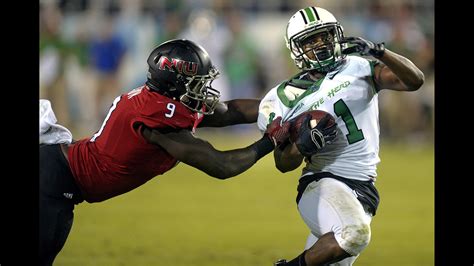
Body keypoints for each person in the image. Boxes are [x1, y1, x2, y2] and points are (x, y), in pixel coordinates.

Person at [39, 39, 291, 266]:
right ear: (175, 82)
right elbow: (222, 165)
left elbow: (231, 112)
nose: (203, 90)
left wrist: (281, 107)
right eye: (197, 82)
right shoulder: (156, 118)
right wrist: (270, 141)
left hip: (58, 174)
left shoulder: (163, 101)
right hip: (54, 181)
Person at [255, 6, 425, 266]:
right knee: (354, 234)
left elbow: (414, 81)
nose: (320, 43)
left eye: (324, 35)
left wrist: (381, 52)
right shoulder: (282, 97)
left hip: (364, 187)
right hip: (322, 183)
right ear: (296, 49)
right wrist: (303, 145)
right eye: (310, 40)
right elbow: (282, 163)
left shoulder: (358, 66)